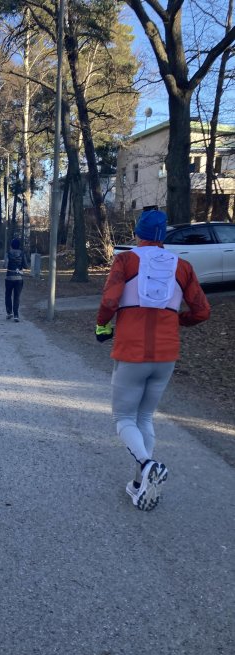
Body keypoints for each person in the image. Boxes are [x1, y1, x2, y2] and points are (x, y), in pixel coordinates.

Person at [95, 209, 210, 512]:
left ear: (138, 233)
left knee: (123, 418)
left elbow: (109, 300)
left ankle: (147, 465)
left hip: (132, 352)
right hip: (166, 355)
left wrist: (102, 324)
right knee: (145, 417)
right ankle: (139, 484)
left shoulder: (126, 260)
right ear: (164, 237)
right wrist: (176, 320)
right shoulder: (182, 266)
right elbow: (202, 311)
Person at [4, 238, 28, 322]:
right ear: (19, 246)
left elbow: (5, 265)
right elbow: (26, 266)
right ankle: (16, 315)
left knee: (8, 295)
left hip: (9, 277)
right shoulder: (22, 254)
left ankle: (9, 312)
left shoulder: (8, 253)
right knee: (17, 297)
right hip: (19, 278)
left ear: (11, 245)